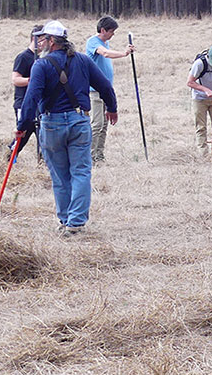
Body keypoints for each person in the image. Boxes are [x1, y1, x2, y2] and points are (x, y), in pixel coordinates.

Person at [16, 20, 117, 233]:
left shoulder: (41, 65)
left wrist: (22, 125)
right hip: (79, 121)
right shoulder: (82, 60)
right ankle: (76, 222)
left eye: (44, 38)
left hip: (52, 124)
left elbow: (31, 97)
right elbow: (105, 86)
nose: (41, 42)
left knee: (60, 174)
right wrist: (112, 108)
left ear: (52, 41)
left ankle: (65, 220)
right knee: (81, 171)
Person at [85, 16, 134, 162]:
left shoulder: (105, 42)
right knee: (97, 124)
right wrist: (124, 53)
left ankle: (99, 156)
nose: (113, 34)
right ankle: (90, 157)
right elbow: (105, 54)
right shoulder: (93, 42)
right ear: (103, 30)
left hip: (106, 91)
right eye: (111, 31)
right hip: (95, 91)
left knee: (104, 125)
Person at [7, 24, 43, 160]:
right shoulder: (23, 57)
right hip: (23, 103)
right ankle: (9, 157)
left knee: (43, 136)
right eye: (42, 40)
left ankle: (43, 163)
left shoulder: (42, 58)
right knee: (22, 136)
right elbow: (15, 79)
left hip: (39, 105)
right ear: (35, 40)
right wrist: (33, 80)